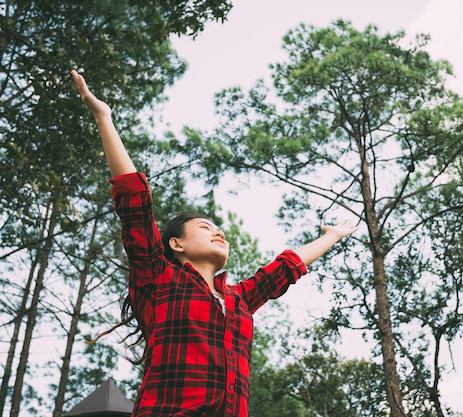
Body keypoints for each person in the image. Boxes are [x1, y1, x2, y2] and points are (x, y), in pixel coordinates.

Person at [70, 70, 357, 417]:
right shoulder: (157, 278)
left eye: (219, 229)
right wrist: (104, 117)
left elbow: (284, 268)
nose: (219, 233)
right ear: (176, 244)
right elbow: (134, 199)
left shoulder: (239, 300)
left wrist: (331, 236)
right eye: (206, 227)